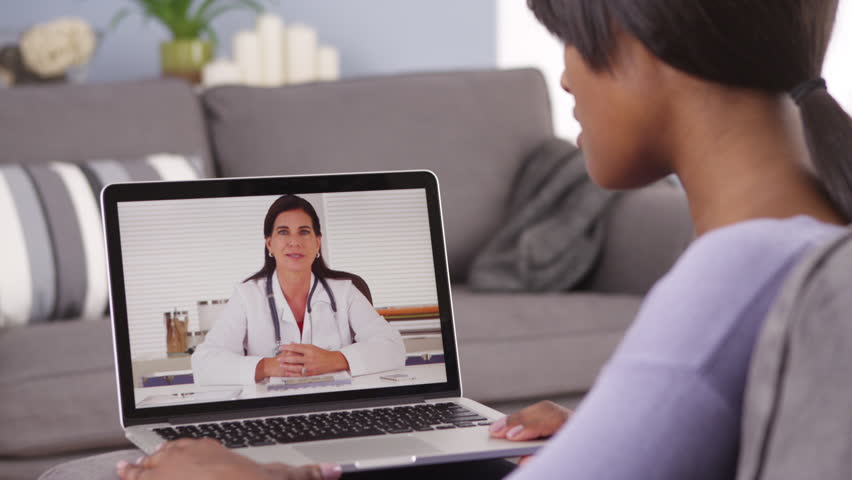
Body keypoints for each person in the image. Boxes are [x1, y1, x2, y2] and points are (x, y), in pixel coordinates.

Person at [120, 0, 852, 478]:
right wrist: (612, 432)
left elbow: (390, 351)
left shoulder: (736, 272)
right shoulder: (811, 243)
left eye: (567, 37)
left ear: (639, 41)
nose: (563, 76)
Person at [192, 194, 405, 385]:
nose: (294, 242)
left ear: (317, 242)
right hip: (273, 412)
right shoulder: (247, 296)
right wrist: (265, 367)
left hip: (337, 405)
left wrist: (335, 360)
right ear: (269, 244)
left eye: (304, 232)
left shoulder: (344, 292)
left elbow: (393, 347)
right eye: (283, 232)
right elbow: (204, 362)